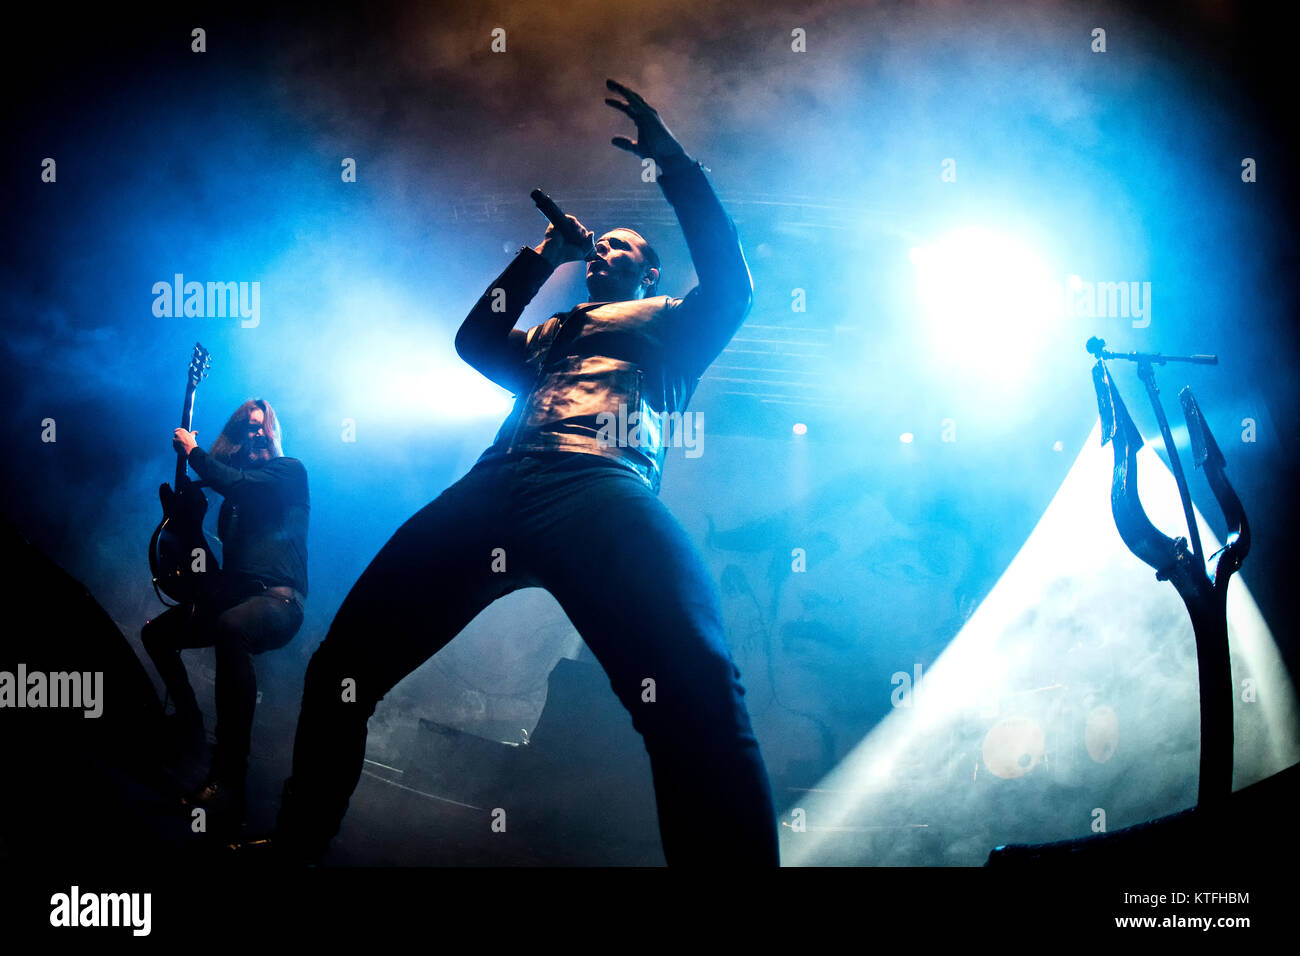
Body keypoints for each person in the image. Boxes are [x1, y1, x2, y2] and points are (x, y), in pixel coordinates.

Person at [271, 79, 778, 865]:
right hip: (496, 483)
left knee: (697, 686)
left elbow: (734, 281)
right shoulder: (549, 331)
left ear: (648, 273)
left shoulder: (675, 322)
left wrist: (675, 164)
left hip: (599, 484)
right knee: (342, 666)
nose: (603, 252)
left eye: (620, 246)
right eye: (597, 246)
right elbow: (476, 342)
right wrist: (545, 254)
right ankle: (295, 850)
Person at [144, 398, 308, 831]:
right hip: (234, 600)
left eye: (261, 427)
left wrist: (193, 452)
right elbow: (219, 560)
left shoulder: (289, 472)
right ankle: (191, 726)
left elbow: (238, 483)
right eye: (244, 429)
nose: (255, 433)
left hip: (279, 602)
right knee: (158, 635)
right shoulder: (231, 503)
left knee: (231, 629)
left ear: (273, 433)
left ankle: (229, 777)